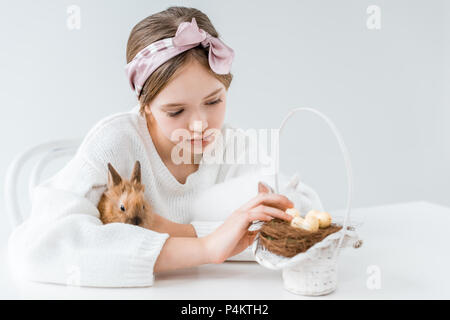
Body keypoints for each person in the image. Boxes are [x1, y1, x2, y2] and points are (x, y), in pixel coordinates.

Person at [7, 6, 324, 287]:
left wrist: (179, 230)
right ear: (144, 105)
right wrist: (206, 246)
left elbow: (305, 214)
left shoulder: (233, 144)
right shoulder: (115, 142)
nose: (200, 124)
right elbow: (38, 247)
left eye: (213, 101)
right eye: (176, 111)